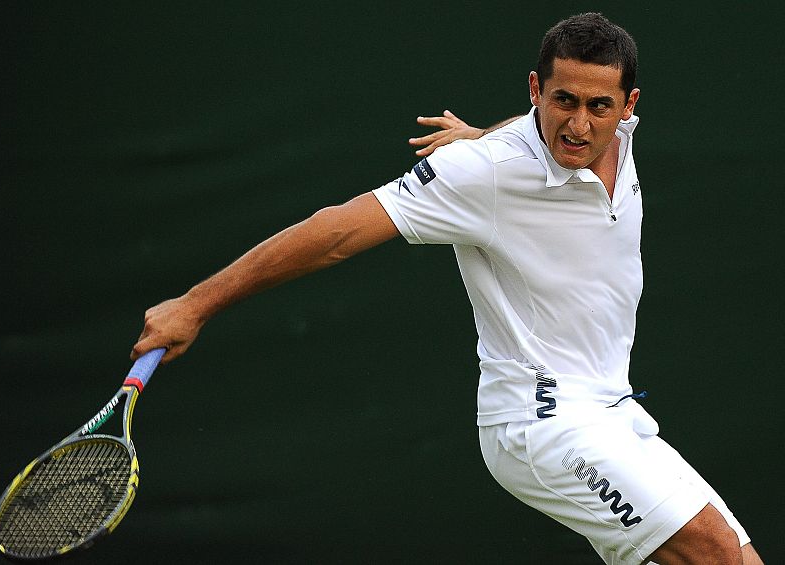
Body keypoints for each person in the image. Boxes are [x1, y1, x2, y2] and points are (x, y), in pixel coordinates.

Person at [131, 13, 763, 564]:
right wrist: (196, 304)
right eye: (563, 101)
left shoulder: (611, 137)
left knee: (739, 557)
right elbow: (337, 231)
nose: (578, 124)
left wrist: (487, 133)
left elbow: (549, 131)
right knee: (709, 550)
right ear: (536, 90)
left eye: (599, 106)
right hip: (543, 424)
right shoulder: (481, 174)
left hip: (615, 411)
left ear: (627, 107)